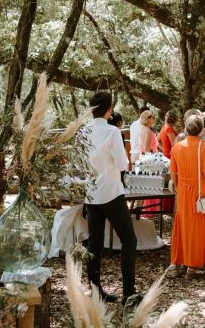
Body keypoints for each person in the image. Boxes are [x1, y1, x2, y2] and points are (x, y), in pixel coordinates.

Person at [82, 92, 137, 304]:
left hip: (91, 194)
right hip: (112, 193)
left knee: (94, 244)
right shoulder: (112, 132)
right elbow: (123, 165)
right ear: (108, 110)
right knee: (129, 240)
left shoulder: (83, 132)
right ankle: (128, 293)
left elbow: (80, 164)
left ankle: (96, 292)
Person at [169, 115, 205, 277]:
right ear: (201, 129)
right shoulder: (202, 146)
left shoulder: (177, 146)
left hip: (183, 189)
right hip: (199, 190)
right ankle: (192, 266)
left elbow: (173, 172)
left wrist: (177, 187)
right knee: (196, 227)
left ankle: (176, 263)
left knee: (181, 224)